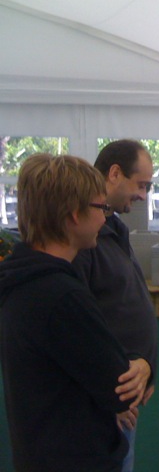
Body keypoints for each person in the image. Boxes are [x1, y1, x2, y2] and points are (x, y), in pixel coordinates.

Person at [0, 154, 150, 472]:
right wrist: (141, 365)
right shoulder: (63, 297)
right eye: (100, 208)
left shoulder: (21, 278)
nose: (104, 219)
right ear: (73, 214)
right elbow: (119, 390)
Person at [72, 139, 158, 472]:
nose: (144, 195)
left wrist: (147, 365)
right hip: (104, 402)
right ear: (114, 173)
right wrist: (108, 394)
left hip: (122, 393)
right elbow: (79, 330)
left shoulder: (115, 228)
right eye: (141, 185)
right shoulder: (84, 241)